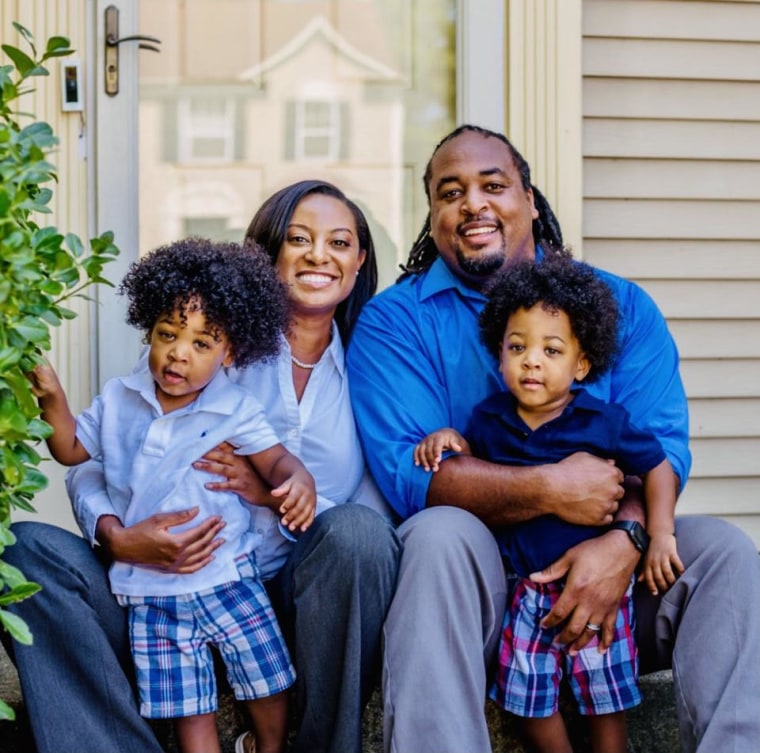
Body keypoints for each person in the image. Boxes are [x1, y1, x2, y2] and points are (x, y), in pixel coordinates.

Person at [347, 124, 760, 753]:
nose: (472, 204)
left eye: (493, 185)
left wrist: (623, 541)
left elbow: (663, 450)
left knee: (726, 554)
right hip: (484, 594)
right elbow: (416, 479)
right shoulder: (395, 322)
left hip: (615, 587)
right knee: (435, 535)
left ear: (531, 200)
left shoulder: (621, 307)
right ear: (432, 217)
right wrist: (551, 488)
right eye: (449, 192)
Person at [4, 180, 401, 753]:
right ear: (266, 254)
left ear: (359, 260)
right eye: (298, 238)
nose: (319, 255)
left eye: (339, 241)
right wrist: (117, 537)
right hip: (157, 586)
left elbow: (366, 527)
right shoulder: (192, 350)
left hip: (290, 601)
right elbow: (98, 460)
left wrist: (268, 494)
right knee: (26, 548)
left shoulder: (370, 366)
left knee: (359, 534)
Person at [29, 238, 316, 753]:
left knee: (269, 683)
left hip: (229, 576)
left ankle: (268, 747)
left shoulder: (235, 408)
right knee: (189, 709)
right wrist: (53, 398)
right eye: (167, 334)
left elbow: (276, 461)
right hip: (152, 594)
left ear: (231, 352)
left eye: (202, 344)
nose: (179, 353)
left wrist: (299, 480)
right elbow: (72, 450)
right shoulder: (119, 398)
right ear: (149, 332)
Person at [414, 254, 683, 753]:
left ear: (582, 364)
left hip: (599, 588)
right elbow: (481, 473)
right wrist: (451, 438)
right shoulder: (490, 418)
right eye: (518, 347)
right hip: (527, 594)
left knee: (605, 702)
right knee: (526, 699)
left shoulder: (604, 420)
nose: (531, 360)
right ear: (500, 356)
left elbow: (658, 466)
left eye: (551, 350)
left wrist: (661, 531)